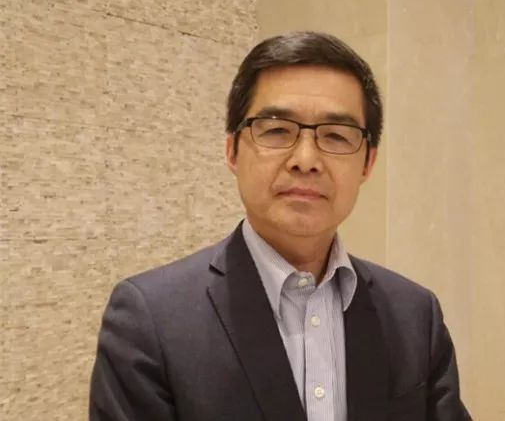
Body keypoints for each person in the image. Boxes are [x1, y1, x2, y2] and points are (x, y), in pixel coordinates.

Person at [89, 31, 472, 421]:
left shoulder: (414, 315)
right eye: (276, 130)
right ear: (232, 151)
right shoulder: (150, 320)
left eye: (336, 136)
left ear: (368, 163)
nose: (306, 160)